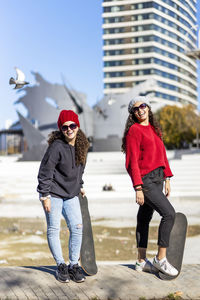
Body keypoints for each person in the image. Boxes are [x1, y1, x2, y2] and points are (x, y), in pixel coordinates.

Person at [122, 96, 178, 276]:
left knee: (144, 218)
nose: (140, 110)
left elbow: (162, 155)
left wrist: (167, 177)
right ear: (133, 114)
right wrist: (137, 187)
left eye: (143, 106)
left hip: (159, 178)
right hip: (145, 180)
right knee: (169, 214)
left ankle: (140, 261)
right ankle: (160, 258)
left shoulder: (155, 129)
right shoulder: (134, 131)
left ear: (148, 107)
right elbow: (131, 162)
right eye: (135, 109)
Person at [37, 110, 89, 283]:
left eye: (72, 125)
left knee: (77, 228)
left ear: (77, 126)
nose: (69, 129)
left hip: (71, 194)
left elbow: (80, 170)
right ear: (61, 129)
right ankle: (61, 265)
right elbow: (45, 171)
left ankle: (73, 265)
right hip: (53, 193)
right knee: (54, 229)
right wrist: (45, 196)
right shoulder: (56, 147)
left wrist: (80, 185)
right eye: (65, 127)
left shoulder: (82, 146)